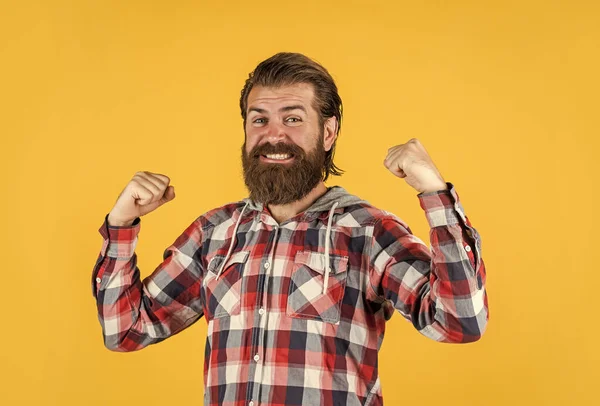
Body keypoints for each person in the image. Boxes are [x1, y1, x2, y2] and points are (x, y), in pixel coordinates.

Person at [92, 52, 488, 406]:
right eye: (259, 119)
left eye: (293, 119)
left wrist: (435, 192)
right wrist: (121, 225)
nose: (274, 135)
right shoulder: (214, 232)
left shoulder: (367, 232)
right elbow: (125, 329)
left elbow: (460, 321)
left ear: (328, 133)